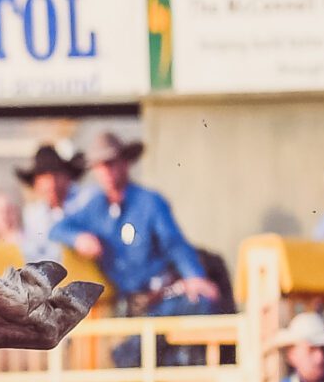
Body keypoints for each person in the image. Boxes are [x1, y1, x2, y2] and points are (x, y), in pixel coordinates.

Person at [48, 131, 220, 366]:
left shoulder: (149, 202)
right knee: (128, 357)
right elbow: (57, 228)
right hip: (130, 307)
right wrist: (78, 238)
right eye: (99, 166)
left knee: (199, 306)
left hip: (165, 297)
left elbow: (174, 243)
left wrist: (194, 276)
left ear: (125, 163)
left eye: (111, 163)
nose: (106, 172)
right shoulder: (94, 208)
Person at [12, 142, 84, 264]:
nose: (52, 183)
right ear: (36, 183)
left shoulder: (84, 203)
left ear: (68, 177)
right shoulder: (32, 215)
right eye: (45, 177)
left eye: (56, 175)